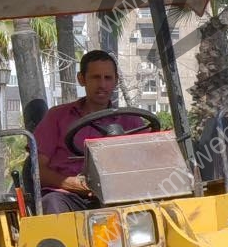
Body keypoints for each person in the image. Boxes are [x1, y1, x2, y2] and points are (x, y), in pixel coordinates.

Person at [31, 50, 149, 213]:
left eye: (107, 78)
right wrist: (71, 183)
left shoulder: (132, 121)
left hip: (119, 197)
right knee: (52, 204)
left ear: (116, 81)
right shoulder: (57, 117)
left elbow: (149, 164)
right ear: (81, 79)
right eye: (95, 77)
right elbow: (37, 170)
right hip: (68, 197)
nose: (102, 85)